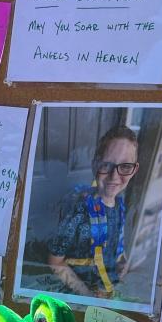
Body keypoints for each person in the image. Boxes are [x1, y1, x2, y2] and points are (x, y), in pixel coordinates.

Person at [47, 126, 139, 298]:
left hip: (107, 286)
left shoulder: (120, 205)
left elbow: (116, 245)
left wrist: (122, 261)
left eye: (125, 166)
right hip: (80, 292)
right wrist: (87, 295)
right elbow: (55, 262)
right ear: (95, 164)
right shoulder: (79, 209)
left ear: (134, 169)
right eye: (106, 165)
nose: (114, 176)